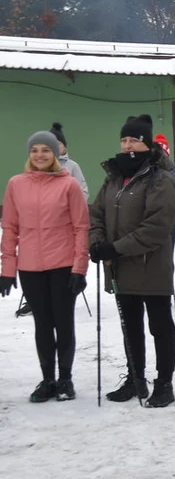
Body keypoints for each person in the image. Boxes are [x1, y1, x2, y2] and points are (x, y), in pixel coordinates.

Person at [89, 115, 175, 407]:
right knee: (130, 325)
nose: (128, 145)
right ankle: (135, 377)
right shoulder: (114, 177)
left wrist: (115, 247)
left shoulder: (160, 179)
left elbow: (156, 227)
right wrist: (97, 242)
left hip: (151, 266)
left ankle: (163, 383)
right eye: (125, 139)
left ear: (146, 143)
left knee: (159, 326)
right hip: (121, 268)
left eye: (134, 140)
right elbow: (97, 213)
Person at [1, 131, 90, 401]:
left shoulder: (69, 185)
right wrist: (7, 269)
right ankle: (47, 380)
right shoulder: (16, 184)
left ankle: (65, 379)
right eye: (35, 150)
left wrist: (80, 268)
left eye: (46, 150)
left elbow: (81, 228)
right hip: (30, 267)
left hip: (62, 265)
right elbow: (10, 228)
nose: (40, 155)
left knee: (63, 323)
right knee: (42, 323)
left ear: (56, 154)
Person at [50, 123, 88, 200]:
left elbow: (83, 192)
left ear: (64, 147)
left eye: (58, 144)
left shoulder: (73, 166)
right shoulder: (41, 166)